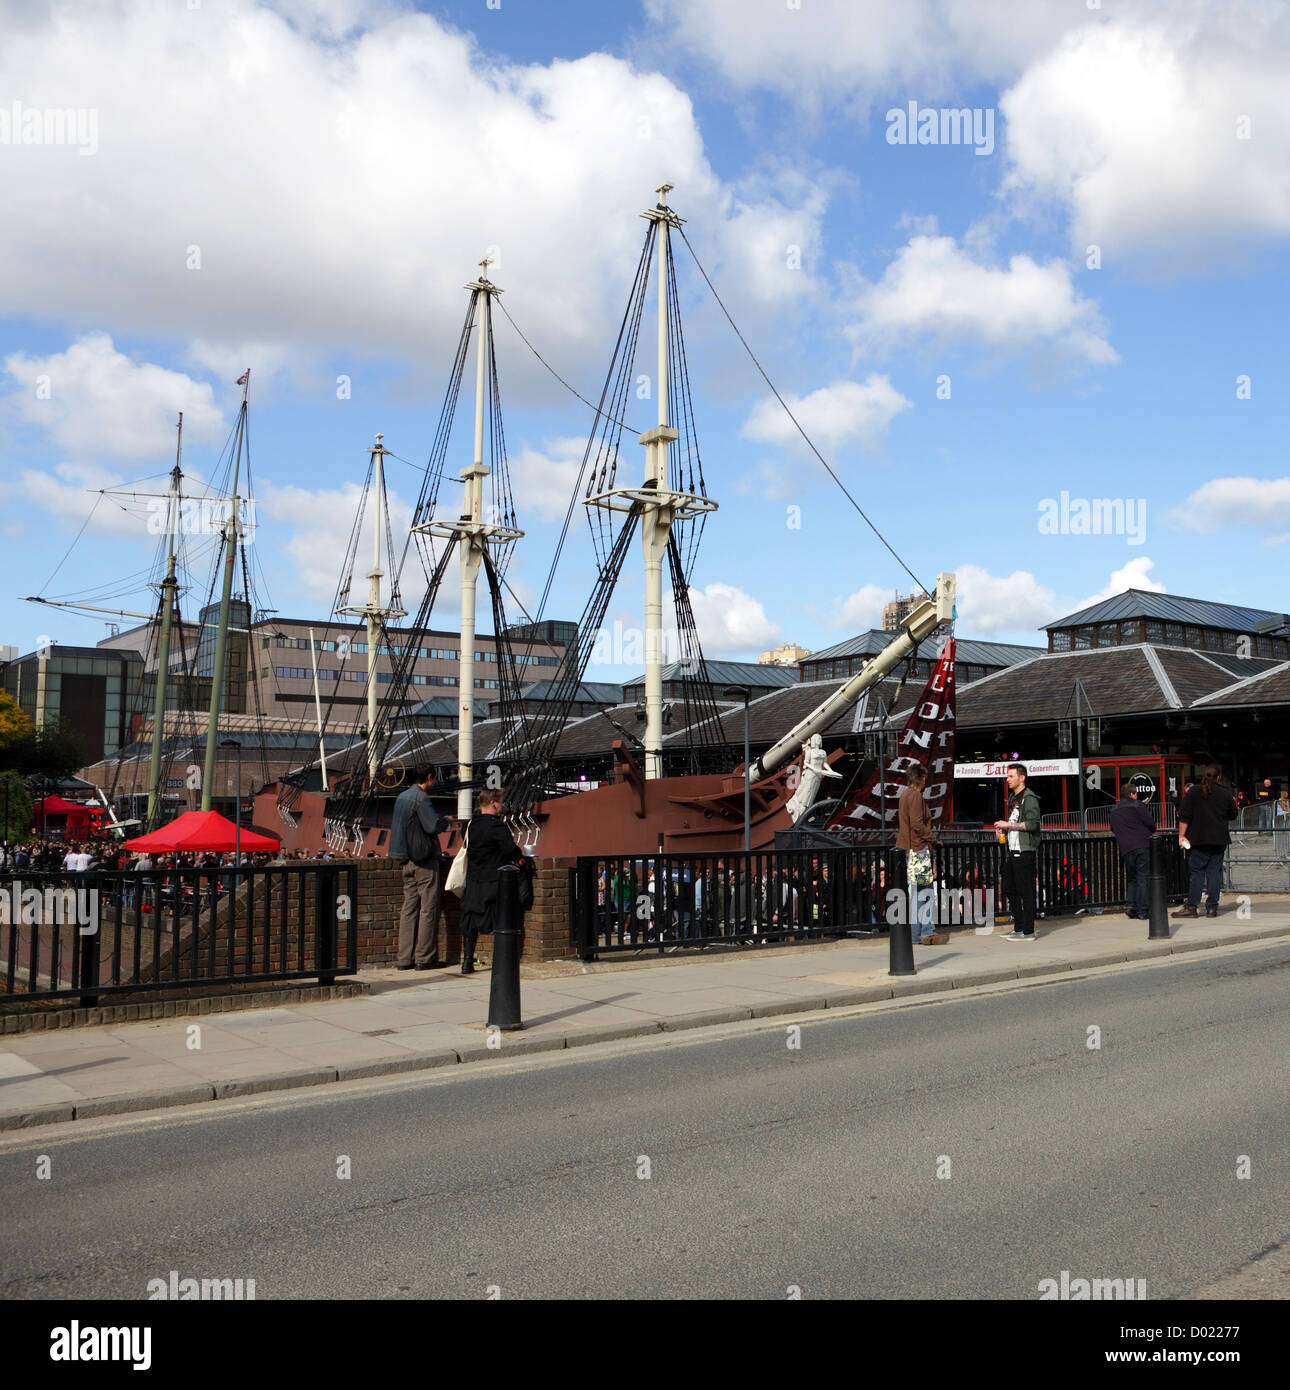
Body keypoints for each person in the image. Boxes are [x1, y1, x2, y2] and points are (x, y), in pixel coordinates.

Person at [389, 766, 451, 970]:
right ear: (430, 777)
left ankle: (404, 959)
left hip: (405, 860)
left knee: (409, 909)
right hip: (423, 861)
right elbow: (432, 826)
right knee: (428, 909)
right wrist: (445, 821)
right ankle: (424, 958)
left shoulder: (401, 797)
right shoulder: (421, 798)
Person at [456, 786, 523, 975]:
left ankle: (467, 961)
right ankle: (504, 961)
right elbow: (510, 849)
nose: (502, 805)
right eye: (500, 802)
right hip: (494, 881)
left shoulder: (470, 825)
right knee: (502, 922)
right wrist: (521, 856)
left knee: (470, 922)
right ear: (493, 803)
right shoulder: (496, 826)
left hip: (474, 879)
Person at [1174, 763, 1237, 918]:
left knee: (1197, 872)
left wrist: (1181, 836)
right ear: (1219, 777)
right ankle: (1212, 908)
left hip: (1198, 838)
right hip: (1219, 838)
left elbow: (1185, 816)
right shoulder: (1225, 793)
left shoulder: (1194, 792)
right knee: (1214, 873)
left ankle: (1192, 906)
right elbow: (1233, 814)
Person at [896, 765, 946, 945]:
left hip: (908, 848)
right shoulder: (916, 796)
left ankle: (917, 933)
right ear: (922, 778)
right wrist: (932, 839)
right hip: (918, 849)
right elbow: (917, 824)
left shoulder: (904, 795)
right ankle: (926, 931)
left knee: (917, 892)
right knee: (924, 893)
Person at [992, 764, 1041, 941]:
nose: (1008, 779)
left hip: (1024, 851)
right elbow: (1015, 824)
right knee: (1009, 889)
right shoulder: (1013, 798)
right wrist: (1003, 834)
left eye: (1011, 776)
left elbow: (1034, 824)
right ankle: (1018, 927)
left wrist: (1009, 825)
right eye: (1008, 776)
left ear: (1022, 778)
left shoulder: (1030, 798)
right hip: (1012, 851)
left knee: (1025, 890)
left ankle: (1028, 931)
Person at [1109, 783, 1156, 919]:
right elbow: (1151, 824)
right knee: (1143, 877)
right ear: (1132, 794)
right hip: (1142, 844)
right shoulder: (1138, 805)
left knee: (1132, 878)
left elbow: (1112, 828)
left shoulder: (1113, 810)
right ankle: (1143, 910)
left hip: (1125, 847)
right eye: (1136, 794)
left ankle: (1131, 906)